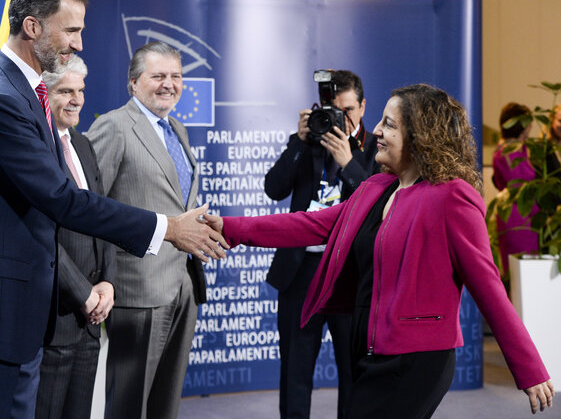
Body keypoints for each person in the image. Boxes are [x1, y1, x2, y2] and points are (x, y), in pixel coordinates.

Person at [0, 0, 227, 419]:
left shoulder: (26, 93)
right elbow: (62, 199)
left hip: (15, 316)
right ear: (32, 27)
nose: (79, 44)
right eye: (71, 30)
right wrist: (166, 228)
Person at [206, 84, 554, 418]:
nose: (375, 131)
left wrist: (529, 368)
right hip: (369, 350)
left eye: (388, 124)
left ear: (421, 136)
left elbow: (488, 286)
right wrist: (230, 228)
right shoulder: (376, 187)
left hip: (417, 360)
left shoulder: (454, 195)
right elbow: (308, 225)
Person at [86, 41, 204, 419]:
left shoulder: (177, 130)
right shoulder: (114, 126)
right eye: (158, 76)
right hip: (136, 290)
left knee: (165, 403)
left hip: (182, 284)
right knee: (128, 404)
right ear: (134, 83)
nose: (169, 84)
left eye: (176, 76)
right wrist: (100, 278)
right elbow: (89, 208)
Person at [264, 70, 379, 419]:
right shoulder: (306, 141)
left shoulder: (377, 147)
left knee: (353, 371)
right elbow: (274, 189)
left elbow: (379, 206)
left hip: (351, 275)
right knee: (295, 371)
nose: (339, 119)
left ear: (362, 107)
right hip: (302, 274)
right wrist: (299, 142)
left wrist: (348, 163)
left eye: (347, 110)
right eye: (333, 109)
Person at [34, 55, 113, 419]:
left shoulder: (83, 145)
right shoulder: (36, 148)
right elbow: (38, 230)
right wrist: (82, 293)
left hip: (92, 316)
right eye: (66, 91)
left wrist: (107, 283)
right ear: (43, 96)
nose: (77, 100)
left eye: (80, 90)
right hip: (55, 313)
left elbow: (103, 217)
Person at [492, 102, 538, 275]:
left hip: (515, 217)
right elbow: (522, 184)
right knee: (524, 273)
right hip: (520, 218)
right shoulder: (509, 152)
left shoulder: (508, 150)